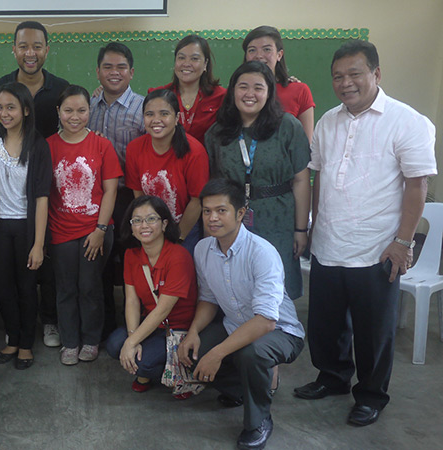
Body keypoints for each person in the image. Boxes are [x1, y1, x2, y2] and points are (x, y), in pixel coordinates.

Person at [294, 40, 437, 427]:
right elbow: (320, 177)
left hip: (377, 248)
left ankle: (372, 394)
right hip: (329, 244)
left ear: (376, 74)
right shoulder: (327, 121)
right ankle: (333, 377)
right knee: (325, 323)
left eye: (355, 74)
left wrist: (403, 242)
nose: (346, 83)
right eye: (338, 76)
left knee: (374, 331)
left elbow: (416, 185)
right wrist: (313, 226)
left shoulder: (408, 121)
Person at [178, 178, 305, 450]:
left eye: (221, 211)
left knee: (252, 353)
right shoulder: (203, 249)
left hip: (279, 331)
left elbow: (267, 322)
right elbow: (209, 299)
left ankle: (258, 421)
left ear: (240, 213)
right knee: (190, 352)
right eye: (207, 211)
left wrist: (217, 353)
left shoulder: (262, 253)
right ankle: (240, 388)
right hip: (234, 324)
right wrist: (193, 333)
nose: (212, 218)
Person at [204, 61, 310, 303]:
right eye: (243, 87)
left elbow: (302, 179)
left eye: (258, 88)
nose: (250, 94)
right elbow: (212, 185)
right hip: (233, 220)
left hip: (278, 219)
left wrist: (301, 229)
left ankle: (279, 337)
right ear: (232, 91)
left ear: (269, 92)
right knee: (236, 283)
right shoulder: (216, 133)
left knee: (276, 289)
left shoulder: (288, 127)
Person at [47, 85, 122, 365]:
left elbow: (110, 190)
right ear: (58, 112)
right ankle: (70, 341)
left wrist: (100, 230)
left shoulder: (102, 145)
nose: (75, 116)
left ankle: (91, 339)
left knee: (90, 287)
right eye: (68, 110)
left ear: (90, 111)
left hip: (96, 230)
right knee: (66, 288)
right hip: (61, 231)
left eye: (81, 110)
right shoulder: (49, 145)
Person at [0, 82, 51, 369]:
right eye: (0, 107)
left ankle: (26, 344)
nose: (4, 113)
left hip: (26, 226)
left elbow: (42, 198)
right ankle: (12, 338)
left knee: (26, 286)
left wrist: (38, 244)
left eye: (11, 107)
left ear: (25, 110)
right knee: (2, 286)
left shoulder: (38, 145)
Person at [105, 195, 197, 395]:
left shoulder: (178, 256)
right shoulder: (131, 254)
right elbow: (131, 300)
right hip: (153, 323)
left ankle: (180, 372)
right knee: (114, 345)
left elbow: (163, 309)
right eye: (137, 220)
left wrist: (131, 343)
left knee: (141, 360)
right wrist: (132, 337)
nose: (143, 225)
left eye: (151, 219)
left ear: (164, 224)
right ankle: (150, 365)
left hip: (177, 328)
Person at [88, 41, 146, 341]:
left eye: (121, 67)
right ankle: (106, 327)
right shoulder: (87, 107)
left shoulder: (144, 108)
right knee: (100, 267)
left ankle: (140, 326)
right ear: (97, 71)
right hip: (95, 198)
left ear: (131, 72)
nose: (114, 73)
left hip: (130, 198)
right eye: (107, 67)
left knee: (133, 262)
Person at [125, 89, 209, 254]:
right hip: (151, 229)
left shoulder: (194, 152)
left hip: (185, 229)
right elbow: (139, 195)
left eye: (164, 114)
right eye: (149, 114)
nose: (156, 120)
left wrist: (178, 238)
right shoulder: (134, 149)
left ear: (177, 118)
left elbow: (197, 201)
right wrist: (150, 230)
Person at [0, 20, 70, 139]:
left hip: (50, 157)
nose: (30, 53)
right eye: (23, 47)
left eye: (37, 47)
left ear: (46, 51)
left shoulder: (62, 89)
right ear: (14, 50)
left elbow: (75, 129)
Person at [148, 34, 226, 146]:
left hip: (207, 161)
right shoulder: (159, 95)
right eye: (181, 57)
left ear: (205, 64)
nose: (186, 64)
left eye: (194, 59)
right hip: (168, 160)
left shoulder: (221, 96)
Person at [242, 26, 315, 142]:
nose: (259, 55)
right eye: (252, 50)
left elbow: (306, 143)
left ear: (279, 55)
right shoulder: (239, 93)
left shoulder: (299, 90)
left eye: (266, 49)